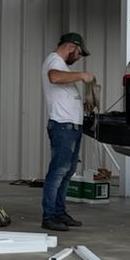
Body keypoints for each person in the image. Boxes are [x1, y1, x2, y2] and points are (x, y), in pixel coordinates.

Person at [42, 32, 94, 231]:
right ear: (71, 47)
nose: (79, 57)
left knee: (67, 171)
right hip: (63, 126)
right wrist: (82, 75)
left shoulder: (62, 66)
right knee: (58, 172)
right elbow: (54, 78)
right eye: (79, 53)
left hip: (71, 126)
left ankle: (59, 212)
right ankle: (49, 216)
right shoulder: (54, 61)